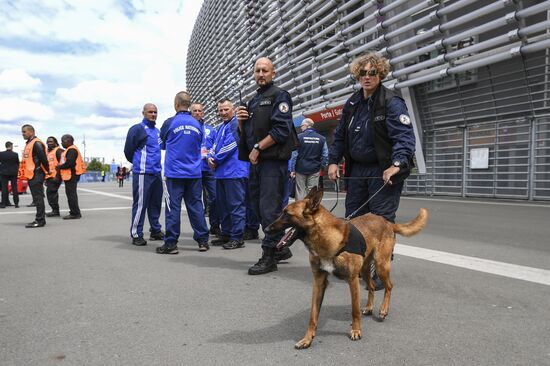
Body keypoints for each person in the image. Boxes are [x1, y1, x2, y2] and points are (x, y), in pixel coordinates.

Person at [327, 51, 416, 289]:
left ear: (380, 74)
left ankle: (379, 269)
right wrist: (333, 161)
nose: (367, 77)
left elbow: (404, 138)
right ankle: (357, 266)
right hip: (356, 172)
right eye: (363, 73)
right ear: (357, 75)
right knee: (354, 222)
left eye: (372, 73)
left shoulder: (391, 102)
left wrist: (396, 165)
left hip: (382, 172)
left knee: (381, 223)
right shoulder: (352, 103)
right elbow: (340, 137)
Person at [237, 57, 299, 275]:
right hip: (257, 165)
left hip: (273, 163)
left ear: (273, 73)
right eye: (257, 70)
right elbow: (247, 135)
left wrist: (258, 148)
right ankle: (279, 248)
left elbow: (281, 130)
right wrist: (241, 122)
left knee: (269, 210)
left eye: (265, 70)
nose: (261, 74)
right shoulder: (253, 101)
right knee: (257, 208)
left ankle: (269, 256)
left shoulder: (279, 96)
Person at [158, 91, 210, 254]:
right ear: (189, 105)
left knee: (172, 208)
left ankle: (171, 244)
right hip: (194, 173)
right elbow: (200, 143)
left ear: (176, 103)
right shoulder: (197, 124)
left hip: (175, 173)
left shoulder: (170, 123)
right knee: (196, 206)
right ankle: (203, 241)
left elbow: (162, 144)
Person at [208, 99, 249, 250]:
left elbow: (232, 145)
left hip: (234, 172)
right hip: (221, 173)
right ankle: (226, 233)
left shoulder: (235, 124)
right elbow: (213, 145)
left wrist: (215, 160)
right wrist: (210, 157)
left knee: (236, 206)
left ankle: (237, 237)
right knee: (223, 206)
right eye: (220, 110)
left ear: (233, 109)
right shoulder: (220, 127)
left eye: (226, 109)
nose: (223, 113)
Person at [124, 103, 164, 246]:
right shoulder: (137, 129)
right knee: (141, 204)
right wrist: (138, 163)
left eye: (155, 112)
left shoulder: (158, 131)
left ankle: (155, 230)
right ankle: (136, 233)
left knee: (155, 203)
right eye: (150, 112)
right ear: (143, 113)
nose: (153, 114)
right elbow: (128, 151)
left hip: (156, 173)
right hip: (142, 173)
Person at [191, 102, 220, 237]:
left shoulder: (211, 130)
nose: (197, 113)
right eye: (195, 111)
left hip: (209, 169)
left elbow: (217, 146)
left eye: (200, 111)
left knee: (214, 198)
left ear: (203, 113)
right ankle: (201, 229)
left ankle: (215, 225)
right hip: (194, 169)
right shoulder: (188, 129)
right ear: (191, 113)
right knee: (197, 200)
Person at [19, 124, 50, 227]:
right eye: (22, 131)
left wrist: (48, 171)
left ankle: (40, 220)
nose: (22, 133)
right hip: (32, 174)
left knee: (38, 198)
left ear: (31, 132)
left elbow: (44, 159)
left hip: (37, 174)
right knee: (37, 198)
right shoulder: (29, 143)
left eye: (24, 131)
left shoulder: (36, 143)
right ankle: (39, 219)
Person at [290, 118, 328, 200]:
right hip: (315, 168)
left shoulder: (299, 137)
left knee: (300, 190)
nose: (301, 128)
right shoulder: (322, 138)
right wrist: (322, 166)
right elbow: (325, 155)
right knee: (312, 191)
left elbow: (294, 155)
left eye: (302, 126)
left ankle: (300, 211)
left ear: (307, 126)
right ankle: (310, 210)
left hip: (300, 168)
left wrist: (292, 169)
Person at [56, 134, 85, 220]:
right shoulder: (69, 150)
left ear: (69, 141)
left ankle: (75, 213)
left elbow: (70, 163)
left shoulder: (72, 150)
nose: (61, 143)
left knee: (71, 194)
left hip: (71, 175)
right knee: (71, 194)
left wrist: (59, 167)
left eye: (62, 141)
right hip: (69, 175)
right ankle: (74, 211)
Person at [45, 137, 64, 217]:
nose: (49, 143)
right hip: (49, 176)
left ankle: (55, 211)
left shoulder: (59, 151)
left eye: (51, 141)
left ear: (55, 142)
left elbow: (62, 164)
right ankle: (55, 210)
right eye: (48, 142)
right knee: (50, 193)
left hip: (55, 176)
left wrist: (58, 176)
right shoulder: (48, 152)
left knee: (51, 193)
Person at [0, 141, 20, 208]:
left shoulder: (1, 154)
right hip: (13, 173)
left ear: (6, 146)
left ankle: (3, 204)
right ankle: (16, 203)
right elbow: (17, 163)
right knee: (14, 188)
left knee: (4, 188)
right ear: (11, 146)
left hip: (3, 173)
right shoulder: (15, 154)